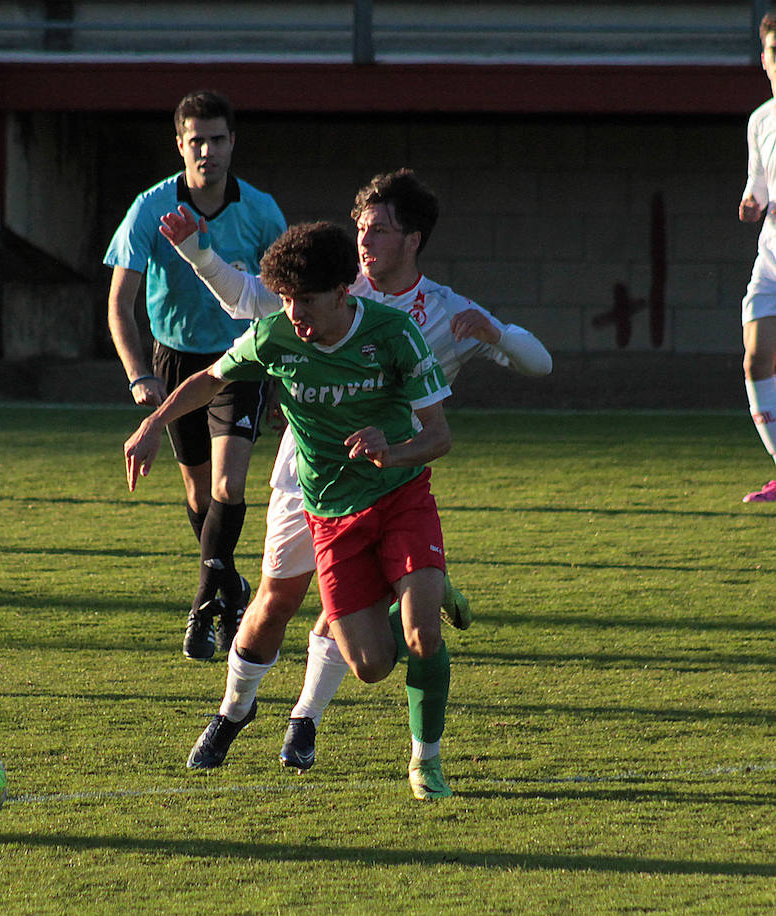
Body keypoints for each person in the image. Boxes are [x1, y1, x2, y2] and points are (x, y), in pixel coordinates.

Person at [161, 169, 552, 792]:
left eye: (380, 229)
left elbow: (537, 363)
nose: (365, 237)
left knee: (380, 622)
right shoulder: (326, 285)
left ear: (414, 239)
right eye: (361, 226)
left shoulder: (444, 312)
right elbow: (251, 302)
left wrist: (498, 334)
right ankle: (236, 710)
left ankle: (308, 719)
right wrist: (196, 251)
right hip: (310, 476)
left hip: (392, 478)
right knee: (278, 603)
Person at [125, 221, 460, 799]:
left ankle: (424, 761)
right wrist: (153, 422)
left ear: (341, 291)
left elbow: (440, 437)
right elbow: (210, 378)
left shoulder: (394, 332)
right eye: (284, 299)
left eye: (304, 300)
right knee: (371, 667)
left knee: (423, 633)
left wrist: (392, 450)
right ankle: (418, 589)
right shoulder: (277, 336)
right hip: (329, 513)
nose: (293, 312)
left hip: (400, 494)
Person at [104, 89, 287, 660]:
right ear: (180, 145)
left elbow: (283, 304)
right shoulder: (149, 209)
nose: (206, 150)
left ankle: (205, 597)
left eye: (216, 138)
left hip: (242, 359)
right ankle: (230, 589)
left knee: (229, 483)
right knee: (197, 491)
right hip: (175, 359)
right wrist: (140, 375)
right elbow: (119, 303)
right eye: (195, 140)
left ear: (232, 142)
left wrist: (283, 380)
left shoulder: (261, 212)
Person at [738, 10, 776, 503]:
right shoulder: (761, 120)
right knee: (756, 359)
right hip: (771, 257)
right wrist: (751, 204)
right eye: (774, 51)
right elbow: (758, 188)